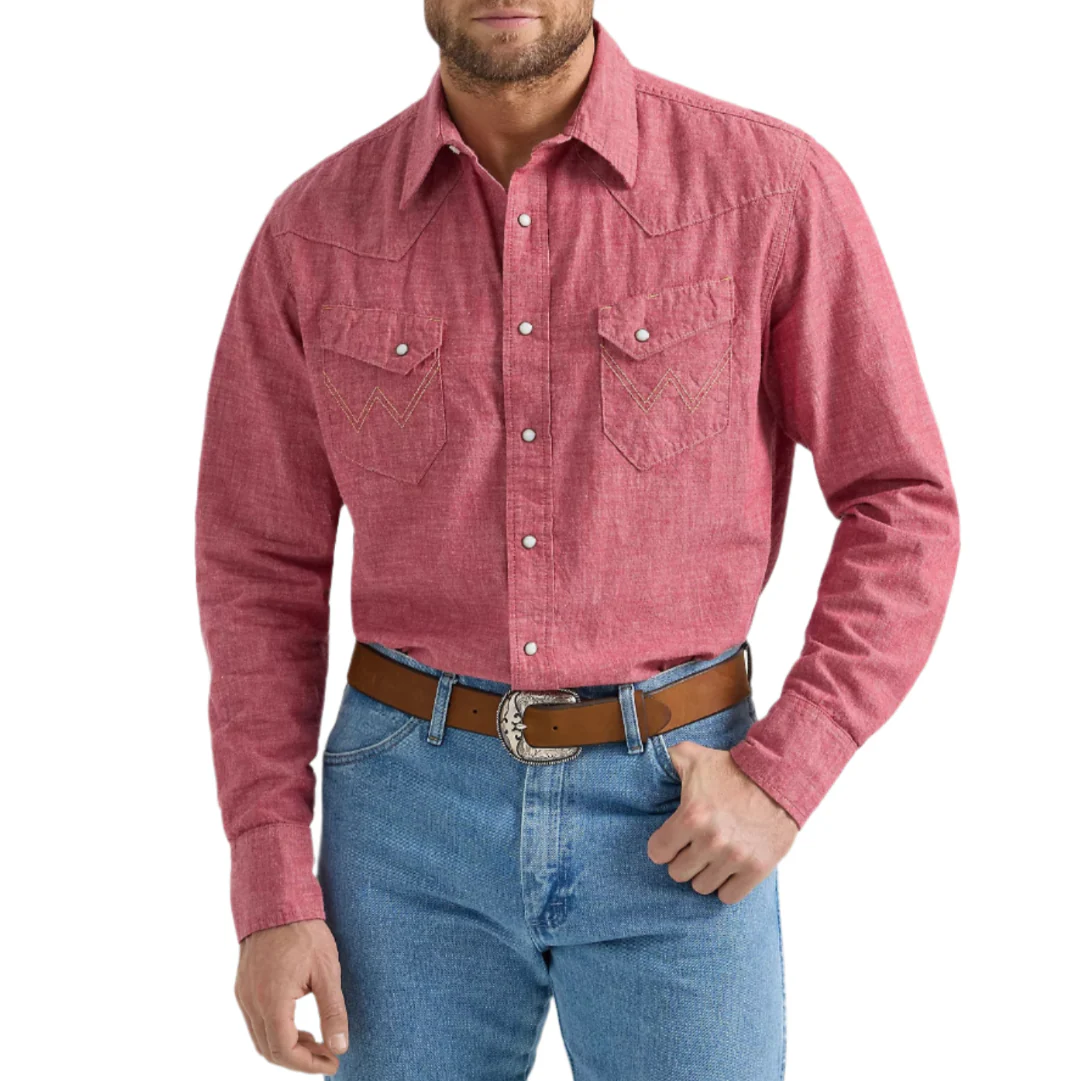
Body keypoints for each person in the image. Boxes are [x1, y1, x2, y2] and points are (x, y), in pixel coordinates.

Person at [195, 4, 961, 1078]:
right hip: (403, 833)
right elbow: (258, 568)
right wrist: (270, 881)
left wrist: (788, 771)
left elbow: (902, 503)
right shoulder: (315, 232)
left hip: (680, 812)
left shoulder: (768, 191)